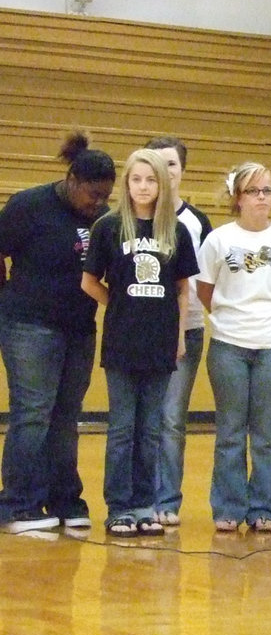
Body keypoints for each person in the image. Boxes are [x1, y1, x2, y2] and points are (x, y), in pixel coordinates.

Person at [0, 132, 115, 532]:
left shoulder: (102, 219)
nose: (98, 203)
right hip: (29, 325)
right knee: (33, 414)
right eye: (92, 194)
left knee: (67, 417)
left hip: (79, 328)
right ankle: (19, 505)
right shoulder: (28, 206)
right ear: (71, 180)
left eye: (105, 196)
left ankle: (65, 498)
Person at [81, 149, 198, 537]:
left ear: (161, 184)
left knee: (151, 430)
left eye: (151, 180)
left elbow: (182, 290)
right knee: (122, 429)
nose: (144, 186)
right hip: (122, 343)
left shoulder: (175, 231)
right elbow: (89, 282)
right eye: (136, 179)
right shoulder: (108, 227)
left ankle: (146, 505)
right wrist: (117, 302)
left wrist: (179, 337)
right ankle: (119, 507)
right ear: (127, 184)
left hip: (161, 343)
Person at [197, 162, 271, 533]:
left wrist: (267, 316)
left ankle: (264, 506)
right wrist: (235, 315)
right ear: (238, 198)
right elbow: (205, 290)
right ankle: (228, 506)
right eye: (254, 191)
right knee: (230, 430)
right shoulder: (218, 240)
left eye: (268, 190)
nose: (263, 197)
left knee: (265, 432)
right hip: (228, 345)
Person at [146, 136, 211, 528]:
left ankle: (166, 499)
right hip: (142, 333)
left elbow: (198, 283)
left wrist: (184, 332)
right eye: (157, 164)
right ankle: (138, 497)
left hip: (185, 330)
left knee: (171, 419)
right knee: (141, 419)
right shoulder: (129, 217)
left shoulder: (196, 221)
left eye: (171, 164)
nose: (164, 171)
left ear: (182, 170)